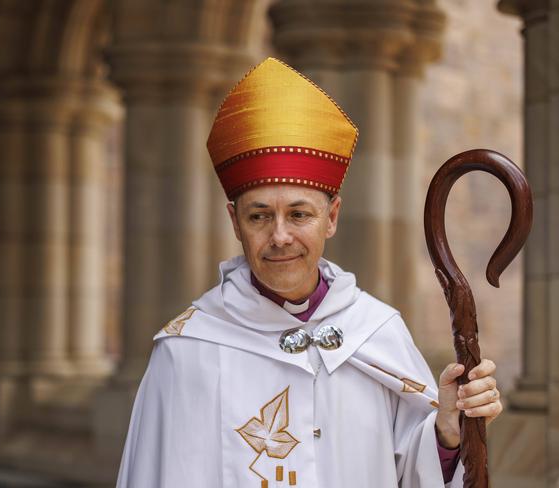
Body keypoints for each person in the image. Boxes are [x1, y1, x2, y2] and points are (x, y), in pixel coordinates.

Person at [116, 57, 503, 488]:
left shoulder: (376, 332)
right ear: (234, 222)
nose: (280, 236)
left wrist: (448, 431)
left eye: (299, 214)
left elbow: (414, 472)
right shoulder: (186, 352)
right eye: (259, 217)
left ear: (331, 217)